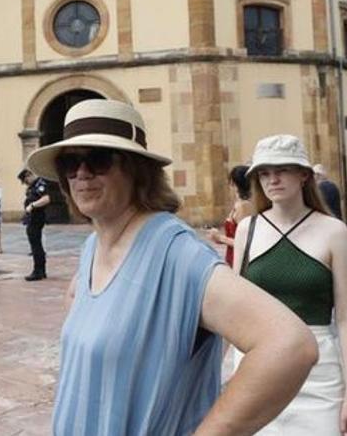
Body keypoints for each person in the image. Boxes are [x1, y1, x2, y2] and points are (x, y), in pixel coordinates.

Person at [26, 100, 317, 434]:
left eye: (99, 159)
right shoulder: (93, 246)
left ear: (136, 170)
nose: (81, 173)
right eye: (69, 163)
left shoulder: (175, 253)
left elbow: (290, 345)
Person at [232, 135, 347, 436]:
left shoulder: (334, 232)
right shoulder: (247, 229)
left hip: (317, 368)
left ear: (304, 175)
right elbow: (233, 309)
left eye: (281, 170)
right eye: (264, 173)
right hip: (256, 365)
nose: (272, 179)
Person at [205, 165, 255, 266]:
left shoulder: (244, 206)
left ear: (234, 183)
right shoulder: (239, 204)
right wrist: (218, 238)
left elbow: (246, 242)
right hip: (233, 257)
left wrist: (220, 238)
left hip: (242, 261)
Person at [19, 168, 51, 281]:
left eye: (25, 180)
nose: (26, 183)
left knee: (36, 246)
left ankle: (38, 271)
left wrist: (32, 205)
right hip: (32, 218)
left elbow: (46, 199)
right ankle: (40, 270)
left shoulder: (40, 184)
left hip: (37, 218)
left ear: (29, 175)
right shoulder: (34, 186)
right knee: (36, 245)